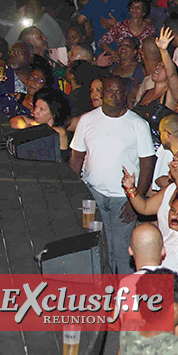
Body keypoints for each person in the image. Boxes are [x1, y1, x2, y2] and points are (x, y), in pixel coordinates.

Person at [70, 76, 154, 274]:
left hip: (122, 199)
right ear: (101, 93)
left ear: (125, 95)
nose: (114, 96)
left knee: (122, 252)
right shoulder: (87, 120)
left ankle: (126, 295)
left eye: (118, 92)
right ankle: (103, 295)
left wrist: (136, 201)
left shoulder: (138, 124)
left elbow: (147, 163)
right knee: (97, 246)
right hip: (93, 195)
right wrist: (75, 192)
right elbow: (76, 158)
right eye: (109, 91)